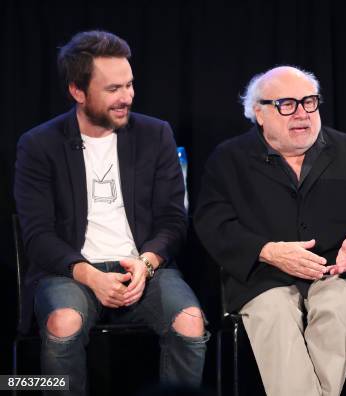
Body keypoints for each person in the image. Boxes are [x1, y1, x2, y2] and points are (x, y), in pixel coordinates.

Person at [14, 31, 207, 395]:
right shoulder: (39, 144)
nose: (127, 97)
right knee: (63, 322)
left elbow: (173, 219)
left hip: (143, 268)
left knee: (191, 323)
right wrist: (88, 274)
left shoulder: (156, 134)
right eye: (113, 89)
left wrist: (147, 262)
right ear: (78, 91)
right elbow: (37, 234)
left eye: (130, 85)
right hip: (69, 271)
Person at [195, 66, 346, 396]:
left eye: (309, 102)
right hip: (263, 278)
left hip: (335, 275)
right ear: (259, 113)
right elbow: (213, 224)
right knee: (275, 312)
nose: (302, 114)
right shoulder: (228, 159)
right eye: (287, 104)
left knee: (339, 307)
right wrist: (267, 250)